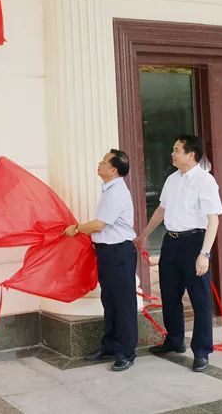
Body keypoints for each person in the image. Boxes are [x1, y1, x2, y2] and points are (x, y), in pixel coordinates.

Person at [134, 135, 222, 372]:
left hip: (195, 242)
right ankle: (174, 340)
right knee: (170, 294)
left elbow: (213, 220)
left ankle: (202, 351)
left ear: (190, 154)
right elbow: (162, 210)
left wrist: (204, 254)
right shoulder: (172, 180)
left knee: (200, 299)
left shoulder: (205, 181)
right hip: (171, 242)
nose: (172, 154)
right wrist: (143, 235)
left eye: (176, 150)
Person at [65, 149, 138, 371]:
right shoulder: (109, 189)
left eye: (104, 161)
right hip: (107, 252)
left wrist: (76, 229)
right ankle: (110, 345)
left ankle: (126, 352)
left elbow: (99, 224)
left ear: (113, 169)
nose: (100, 163)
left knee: (123, 304)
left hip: (119, 252)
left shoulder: (117, 192)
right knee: (110, 300)